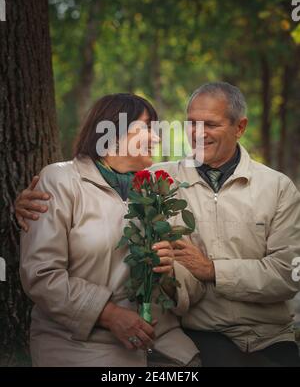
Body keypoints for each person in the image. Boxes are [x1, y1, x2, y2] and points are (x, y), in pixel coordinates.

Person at [17, 93, 201, 367]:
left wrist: (169, 271)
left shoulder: (159, 188)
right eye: (146, 129)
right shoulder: (61, 181)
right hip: (82, 346)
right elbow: (41, 276)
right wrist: (109, 314)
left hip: (163, 344)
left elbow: (191, 280)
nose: (157, 138)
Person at [150, 82, 300, 366]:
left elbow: (287, 275)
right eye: (192, 123)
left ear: (239, 127)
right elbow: (107, 182)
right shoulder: (160, 180)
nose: (198, 133)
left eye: (211, 124)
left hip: (269, 337)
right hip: (197, 334)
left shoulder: (278, 187)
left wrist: (211, 270)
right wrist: (50, 187)